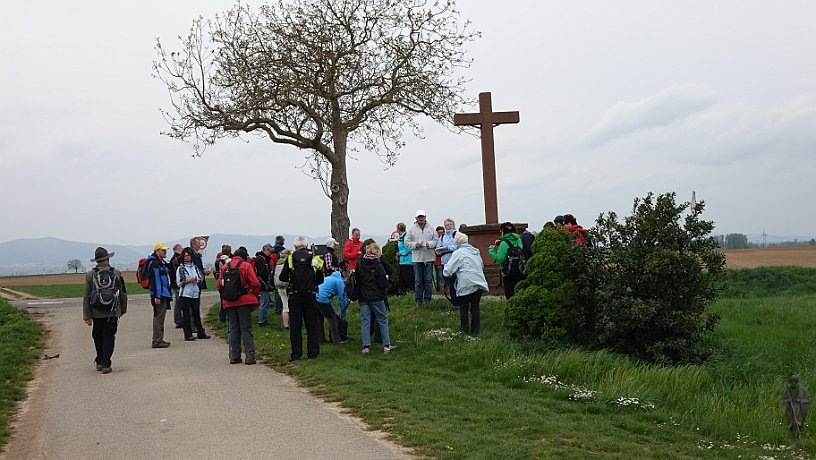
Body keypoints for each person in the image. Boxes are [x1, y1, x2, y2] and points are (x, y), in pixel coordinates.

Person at [83, 247, 128, 374]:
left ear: (97, 261)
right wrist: (122, 310)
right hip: (112, 311)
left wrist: (87, 315)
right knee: (109, 336)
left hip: (96, 312)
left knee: (97, 336)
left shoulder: (90, 275)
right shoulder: (117, 273)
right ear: (108, 259)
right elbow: (123, 293)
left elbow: (86, 296)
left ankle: (100, 360)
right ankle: (106, 363)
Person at [280, 236, 324, 362]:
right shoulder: (314, 258)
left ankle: (296, 355)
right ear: (306, 245)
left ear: (295, 246)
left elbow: (283, 277)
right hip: (310, 295)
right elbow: (320, 279)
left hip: (295, 296)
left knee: (295, 326)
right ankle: (313, 353)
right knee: (312, 325)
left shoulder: (290, 258)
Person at [218, 246, 261, 364]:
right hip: (244, 300)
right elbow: (255, 283)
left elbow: (219, 285)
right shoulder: (246, 266)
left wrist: (226, 295)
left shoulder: (226, 267)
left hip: (229, 302)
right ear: (244, 257)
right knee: (246, 328)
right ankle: (249, 356)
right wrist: (254, 294)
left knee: (233, 328)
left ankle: (234, 356)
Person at [443, 233, 488, 336]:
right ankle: (475, 331)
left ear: (457, 242)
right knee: (475, 307)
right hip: (479, 281)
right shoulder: (475, 251)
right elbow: (481, 265)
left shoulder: (458, 253)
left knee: (463, 307)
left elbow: (448, 270)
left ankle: (464, 331)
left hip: (466, 282)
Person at [356, 243, 393, 354]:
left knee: (365, 320)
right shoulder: (378, 265)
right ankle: (386, 345)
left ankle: (366, 346)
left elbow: (357, 279)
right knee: (382, 319)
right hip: (376, 296)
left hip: (363, 295)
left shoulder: (360, 263)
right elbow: (383, 283)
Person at [176, 247, 211, 341]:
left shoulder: (194, 267)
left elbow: (200, 277)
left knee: (196, 314)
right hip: (185, 294)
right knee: (186, 315)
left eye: (188, 255)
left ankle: (201, 333)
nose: (187, 257)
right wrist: (189, 281)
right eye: (185, 256)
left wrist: (199, 280)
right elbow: (179, 283)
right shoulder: (181, 268)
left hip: (195, 293)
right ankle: (188, 334)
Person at [404, 210, 437, 307]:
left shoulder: (431, 228)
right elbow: (406, 242)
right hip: (417, 258)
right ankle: (418, 300)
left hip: (429, 257)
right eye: (419, 217)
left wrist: (428, 244)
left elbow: (436, 241)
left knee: (428, 280)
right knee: (418, 281)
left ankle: (428, 299)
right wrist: (415, 245)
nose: (421, 218)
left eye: (422, 216)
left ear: (425, 217)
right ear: (416, 218)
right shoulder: (411, 229)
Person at [488, 222, 525, 299]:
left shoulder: (504, 243)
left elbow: (500, 259)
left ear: (503, 231)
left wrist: (491, 250)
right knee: (520, 295)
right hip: (520, 270)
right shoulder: (518, 240)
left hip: (508, 273)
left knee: (510, 295)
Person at [315, 261, 348, 344]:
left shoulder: (329, 278)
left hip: (314, 297)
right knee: (332, 317)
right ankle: (336, 339)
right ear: (342, 272)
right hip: (322, 299)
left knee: (319, 318)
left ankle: (320, 339)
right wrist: (343, 313)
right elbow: (342, 298)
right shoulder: (339, 281)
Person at [147, 243, 172, 348]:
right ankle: (157, 341)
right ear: (157, 251)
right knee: (159, 317)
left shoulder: (159, 262)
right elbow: (155, 280)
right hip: (159, 294)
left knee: (160, 317)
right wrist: (157, 296)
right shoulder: (154, 263)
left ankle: (159, 339)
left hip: (162, 293)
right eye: (162, 250)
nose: (165, 252)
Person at [436, 218, 459, 302]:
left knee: (456, 280)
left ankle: (459, 298)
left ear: (453, 225)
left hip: (454, 260)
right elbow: (438, 247)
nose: (449, 226)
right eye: (447, 225)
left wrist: (448, 248)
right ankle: (453, 299)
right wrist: (440, 249)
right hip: (445, 261)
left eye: (450, 224)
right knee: (448, 281)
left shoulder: (456, 235)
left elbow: (458, 246)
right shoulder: (442, 237)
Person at [255, 243, 276, 327]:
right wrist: (268, 273)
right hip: (262, 283)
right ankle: (262, 321)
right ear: (265, 250)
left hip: (263, 283)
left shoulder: (263, 258)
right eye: (269, 252)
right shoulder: (261, 259)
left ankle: (263, 320)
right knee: (264, 303)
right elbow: (260, 273)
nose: (270, 254)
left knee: (266, 303)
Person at [273, 249, 292, 330]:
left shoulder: (278, 262)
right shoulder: (288, 262)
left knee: (285, 306)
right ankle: (290, 324)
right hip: (287, 286)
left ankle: (285, 325)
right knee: (290, 307)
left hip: (279, 287)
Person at [168, 243, 184, 329]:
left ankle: (178, 320)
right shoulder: (177, 259)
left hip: (174, 283)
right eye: (181, 249)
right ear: (178, 249)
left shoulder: (172, 259)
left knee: (178, 303)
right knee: (179, 303)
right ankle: (178, 320)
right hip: (177, 284)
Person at [395, 223, 413, 295]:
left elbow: (409, 248)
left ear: (398, 230)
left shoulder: (406, 237)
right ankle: (403, 291)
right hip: (403, 261)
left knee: (408, 277)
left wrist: (400, 253)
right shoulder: (401, 237)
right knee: (403, 277)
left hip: (408, 260)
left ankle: (409, 291)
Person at [433, 225, 445, 293]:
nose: (440, 234)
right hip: (437, 261)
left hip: (444, 260)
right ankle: (439, 290)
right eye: (439, 232)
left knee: (444, 275)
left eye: (441, 232)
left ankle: (444, 289)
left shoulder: (445, 240)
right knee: (439, 276)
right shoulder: (435, 240)